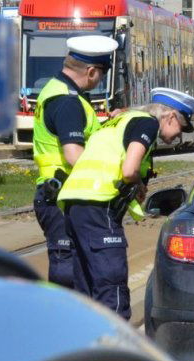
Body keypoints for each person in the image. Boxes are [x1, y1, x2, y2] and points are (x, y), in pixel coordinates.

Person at [57, 88, 194, 320]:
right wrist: (139, 187)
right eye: (181, 128)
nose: (179, 136)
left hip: (74, 204)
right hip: (100, 206)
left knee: (85, 286)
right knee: (110, 285)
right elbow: (129, 169)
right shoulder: (147, 124)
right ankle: (116, 347)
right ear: (170, 117)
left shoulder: (118, 121)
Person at [31, 35, 118, 290]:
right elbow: (74, 155)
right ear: (91, 71)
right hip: (62, 195)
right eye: (101, 73)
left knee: (71, 266)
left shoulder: (55, 90)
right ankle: (60, 324)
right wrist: (110, 175)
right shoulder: (68, 101)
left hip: (56, 191)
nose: (101, 79)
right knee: (66, 271)